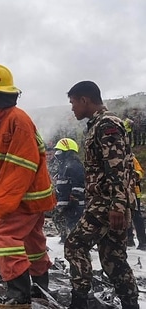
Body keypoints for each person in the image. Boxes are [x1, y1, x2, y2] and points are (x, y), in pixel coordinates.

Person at [0, 64, 55, 308]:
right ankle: (40, 291)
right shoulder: (5, 119)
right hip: (31, 197)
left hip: (23, 198)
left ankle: (18, 297)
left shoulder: (14, 121)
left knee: (2, 234)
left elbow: (21, 166)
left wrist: (4, 204)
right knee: (32, 243)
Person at [64, 80, 139, 309]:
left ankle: (80, 302)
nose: (72, 108)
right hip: (108, 201)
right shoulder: (98, 124)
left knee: (75, 245)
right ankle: (130, 305)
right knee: (113, 258)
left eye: (73, 103)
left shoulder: (106, 124)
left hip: (107, 202)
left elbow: (116, 166)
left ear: (85, 100)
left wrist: (117, 205)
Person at [51, 138, 86, 245]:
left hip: (73, 203)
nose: (57, 154)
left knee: (73, 222)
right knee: (60, 219)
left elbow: (79, 184)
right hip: (63, 201)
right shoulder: (64, 166)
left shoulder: (74, 165)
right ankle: (64, 237)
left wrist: (74, 199)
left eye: (60, 151)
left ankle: (76, 242)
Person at [128, 156, 146, 250]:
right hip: (122, 192)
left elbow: (140, 172)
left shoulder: (131, 158)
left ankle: (143, 242)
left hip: (134, 192)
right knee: (125, 215)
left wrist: (135, 174)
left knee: (136, 215)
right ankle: (129, 240)